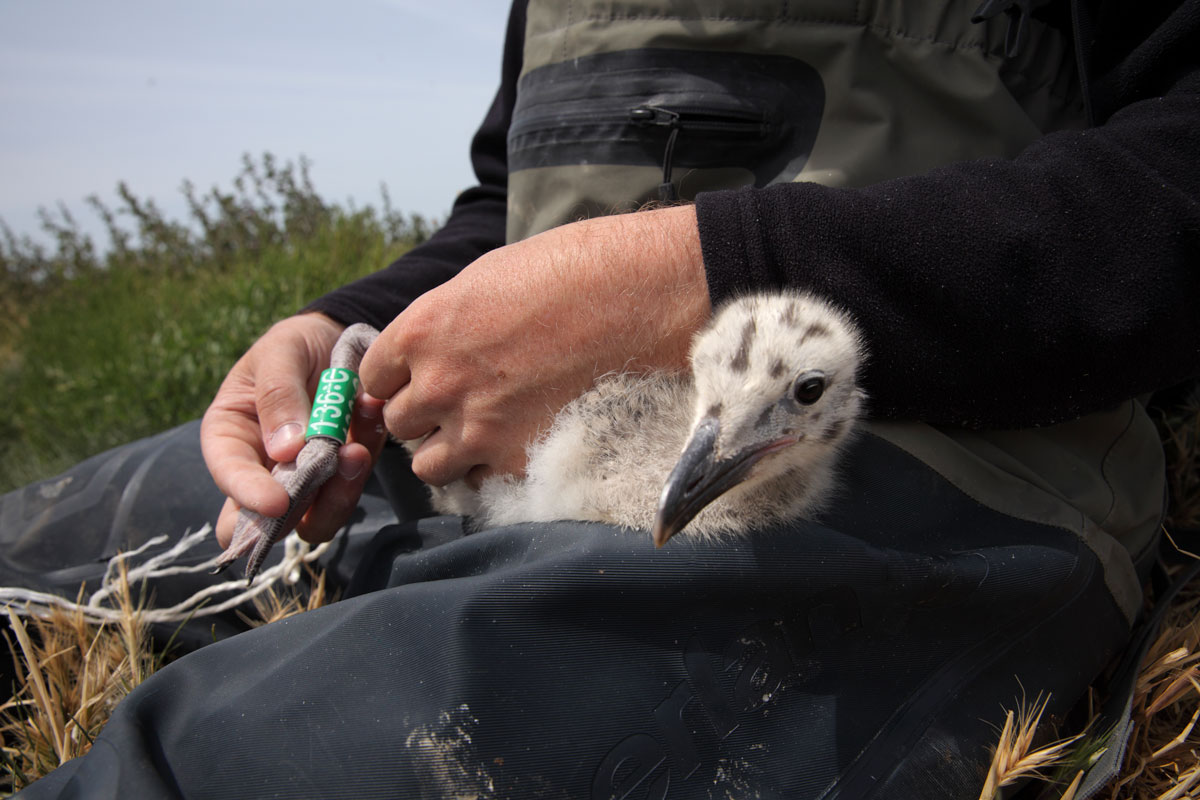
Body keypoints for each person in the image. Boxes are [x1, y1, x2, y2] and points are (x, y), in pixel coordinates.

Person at [11, 1, 1200, 797]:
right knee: (29, 563)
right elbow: (508, 196)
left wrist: (692, 281)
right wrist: (344, 326)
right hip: (502, 428)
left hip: (922, 442)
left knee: (238, 767)